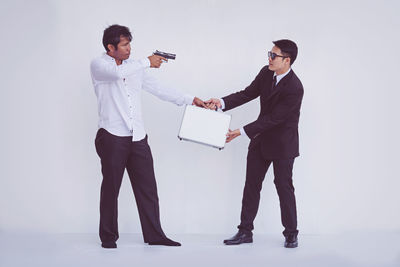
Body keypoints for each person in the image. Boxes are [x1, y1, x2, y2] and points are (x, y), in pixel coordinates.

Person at [90, 24, 205, 248]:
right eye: (124, 45)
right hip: (112, 135)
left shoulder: (135, 67)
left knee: (148, 188)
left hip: (137, 136)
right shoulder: (99, 65)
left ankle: (154, 235)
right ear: (110, 47)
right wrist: (146, 62)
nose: (129, 49)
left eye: (129, 44)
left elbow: (160, 88)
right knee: (111, 188)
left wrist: (191, 99)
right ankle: (108, 238)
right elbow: (116, 73)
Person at [206, 39, 303, 248]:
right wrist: (220, 103)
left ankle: (291, 233)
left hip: (283, 145)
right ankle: (245, 231)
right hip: (261, 141)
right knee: (251, 186)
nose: (269, 58)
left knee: (283, 186)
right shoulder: (266, 73)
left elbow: (274, 119)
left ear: (287, 60)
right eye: (270, 53)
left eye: (274, 56)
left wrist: (240, 132)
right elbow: (248, 93)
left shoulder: (295, 87)